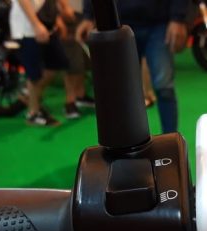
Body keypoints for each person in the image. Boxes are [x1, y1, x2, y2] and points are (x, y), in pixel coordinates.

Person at [76, 0, 188, 134]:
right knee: (123, 91)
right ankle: (130, 141)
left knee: (164, 87)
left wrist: (177, 18)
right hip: (120, 24)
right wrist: (88, 16)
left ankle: (171, 138)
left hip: (159, 23)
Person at [10, 0, 69, 126]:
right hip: (28, 28)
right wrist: (36, 24)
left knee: (57, 64)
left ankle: (30, 95)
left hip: (47, 25)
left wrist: (56, 19)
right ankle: (33, 113)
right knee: (34, 73)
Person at [57, 0, 96, 119]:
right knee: (73, 60)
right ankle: (70, 101)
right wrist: (64, 6)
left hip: (86, 14)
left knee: (83, 59)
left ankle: (80, 95)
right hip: (70, 14)